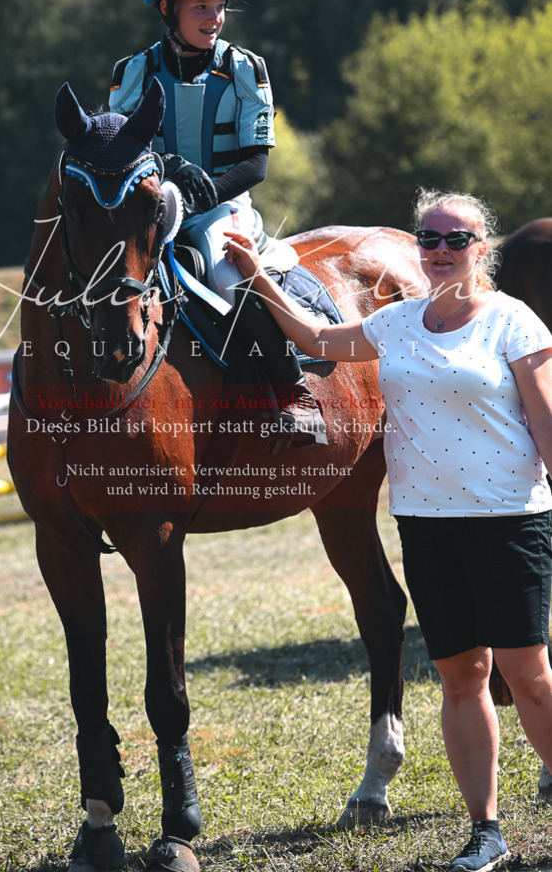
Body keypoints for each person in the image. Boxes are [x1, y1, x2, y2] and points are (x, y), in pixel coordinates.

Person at [223, 188, 552, 872]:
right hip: (427, 524)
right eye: (427, 238)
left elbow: (546, 420)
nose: (436, 251)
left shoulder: (514, 322)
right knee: (463, 675)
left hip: (509, 519)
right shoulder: (396, 323)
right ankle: (485, 830)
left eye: (453, 239)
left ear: (480, 250)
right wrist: (257, 275)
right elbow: (316, 341)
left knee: (529, 677)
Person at [109, 0, 327, 446]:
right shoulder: (133, 72)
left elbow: (257, 162)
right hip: (156, 203)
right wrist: (169, 169)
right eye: (201, 6)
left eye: (220, 7)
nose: (214, 17)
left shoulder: (246, 68)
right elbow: (124, 149)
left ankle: (293, 392)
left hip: (226, 204)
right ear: (168, 9)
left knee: (229, 271)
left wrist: (206, 193)